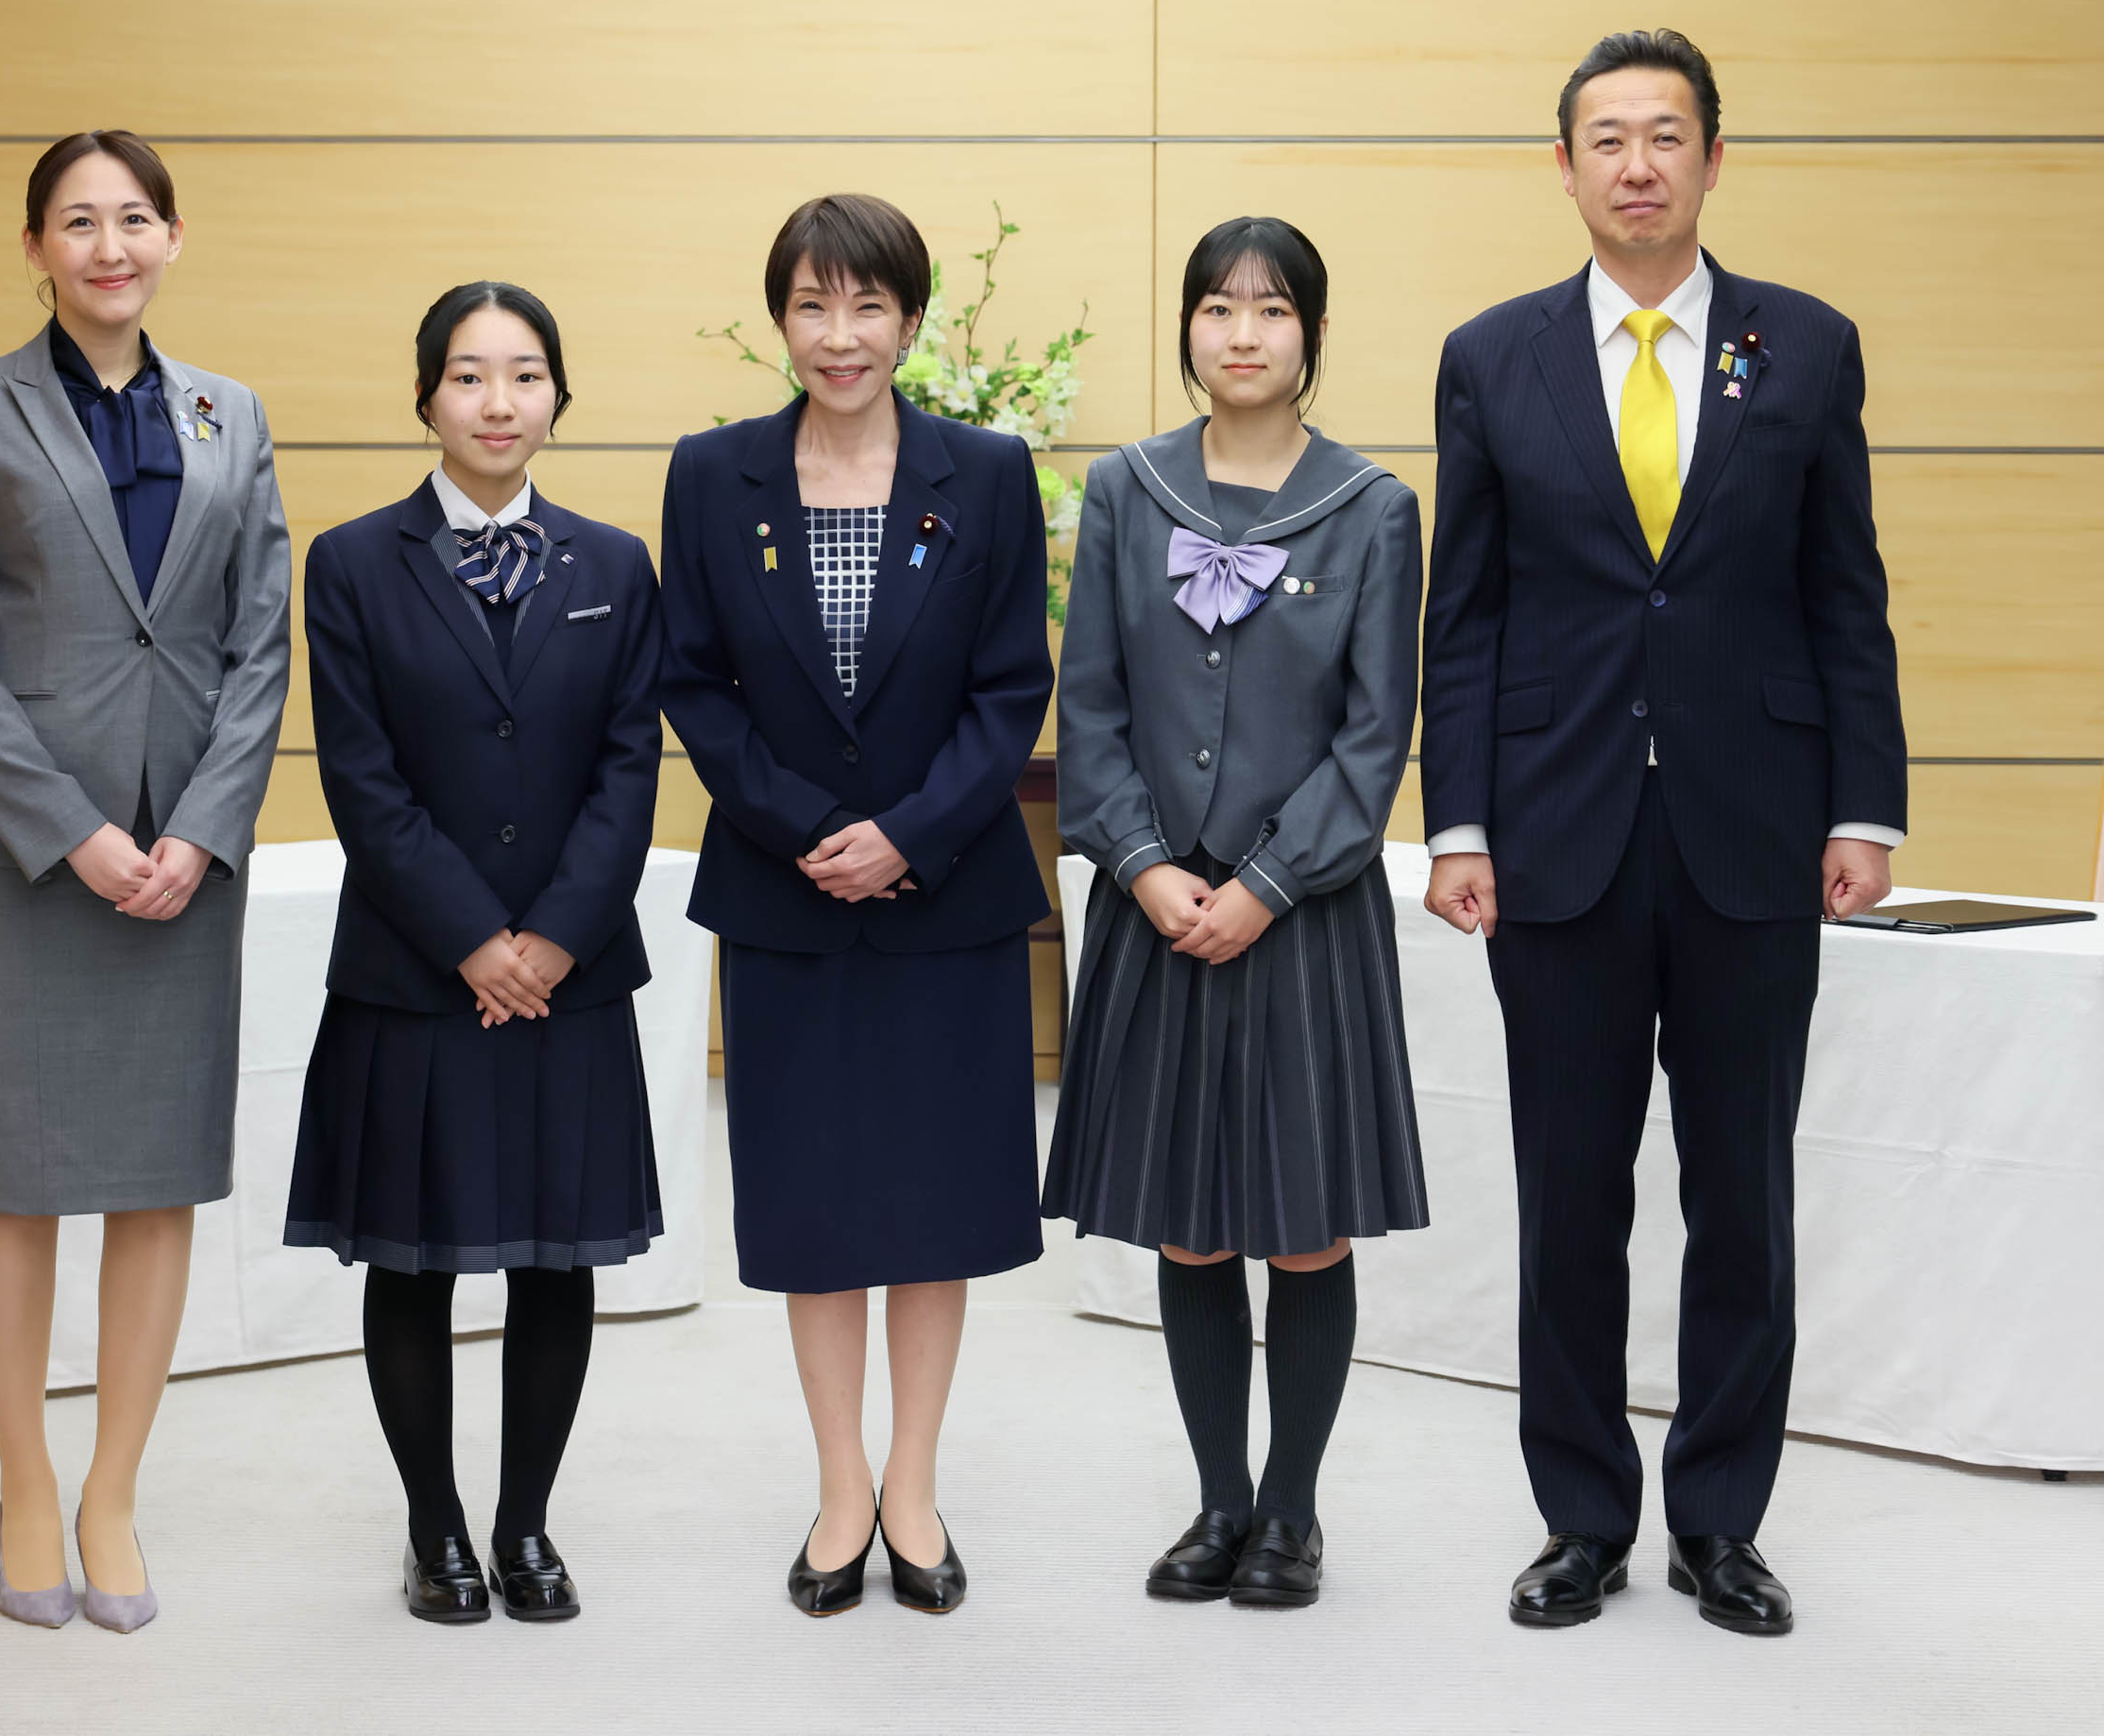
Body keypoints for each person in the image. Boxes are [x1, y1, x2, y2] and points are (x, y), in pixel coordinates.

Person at [1420, 30, 1907, 1636]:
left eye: (1666, 135)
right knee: (1569, 1197)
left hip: (1756, 835)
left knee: (1743, 1194)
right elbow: (1468, 615)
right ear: (1562, 168)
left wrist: (1865, 802)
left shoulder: (1810, 346)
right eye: (1607, 139)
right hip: (1553, 831)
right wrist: (1460, 820)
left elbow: (1845, 594)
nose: (1638, 162)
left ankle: (1720, 1520)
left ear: (1713, 159)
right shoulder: (1494, 357)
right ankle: (1580, 1517)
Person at [0, 130, 291, 1631]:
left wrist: (200, 825)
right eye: (79, 221)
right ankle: (20, 1477)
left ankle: (113, 1489)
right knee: (14, 1182)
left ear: (175, 238)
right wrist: (71, 828)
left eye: (134, 218)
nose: (108, 244)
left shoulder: (232, 415)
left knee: (154, 1178)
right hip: (17, 856)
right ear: (37, 247)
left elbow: (261, 647)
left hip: (184, 856)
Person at [657, 194, 1054, 1615]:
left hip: (941, 900)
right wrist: (814, 828)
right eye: (815, 306)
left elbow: (1012, 688)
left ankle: (915, 1485)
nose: (842, 336)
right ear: (783, 318)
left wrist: (908, 832)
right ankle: (839, 1485)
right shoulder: (713, 477)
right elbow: (694, 681)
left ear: (910, 317)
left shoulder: (987, 473)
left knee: (934, 1205)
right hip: (788, 899)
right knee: (817, 1205)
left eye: (869, 305)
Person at [1044, 216, 1428, 1608]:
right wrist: (1145, 866)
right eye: (1218, 307)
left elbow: (1376, 740)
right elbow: (1088, 706)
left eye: (1272, 309)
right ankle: (1216, 1501)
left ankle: (1294, 1512)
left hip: (1303, 916)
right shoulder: (1128, 491)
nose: (1244, 332)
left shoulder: (1375, 507)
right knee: (1191, 1226)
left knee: (1304, 1223)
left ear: (1312, 336)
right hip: (1158, 912)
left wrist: (1266, 882)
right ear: (1190, 329)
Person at [282, 282, 665, 1625]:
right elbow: (362, 780)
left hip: (569, 978)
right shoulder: (348, 562)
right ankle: (434, 1527)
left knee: (557, 1256)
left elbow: (630, 774)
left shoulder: (616, 567)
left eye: (523, 375)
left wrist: (550, 941)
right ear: (427, 397)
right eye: (467, 376)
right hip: (415, 970)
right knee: (417, 1258)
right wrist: (473, 942)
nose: (497, 402)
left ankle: (526, 1524)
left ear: (560, 396)